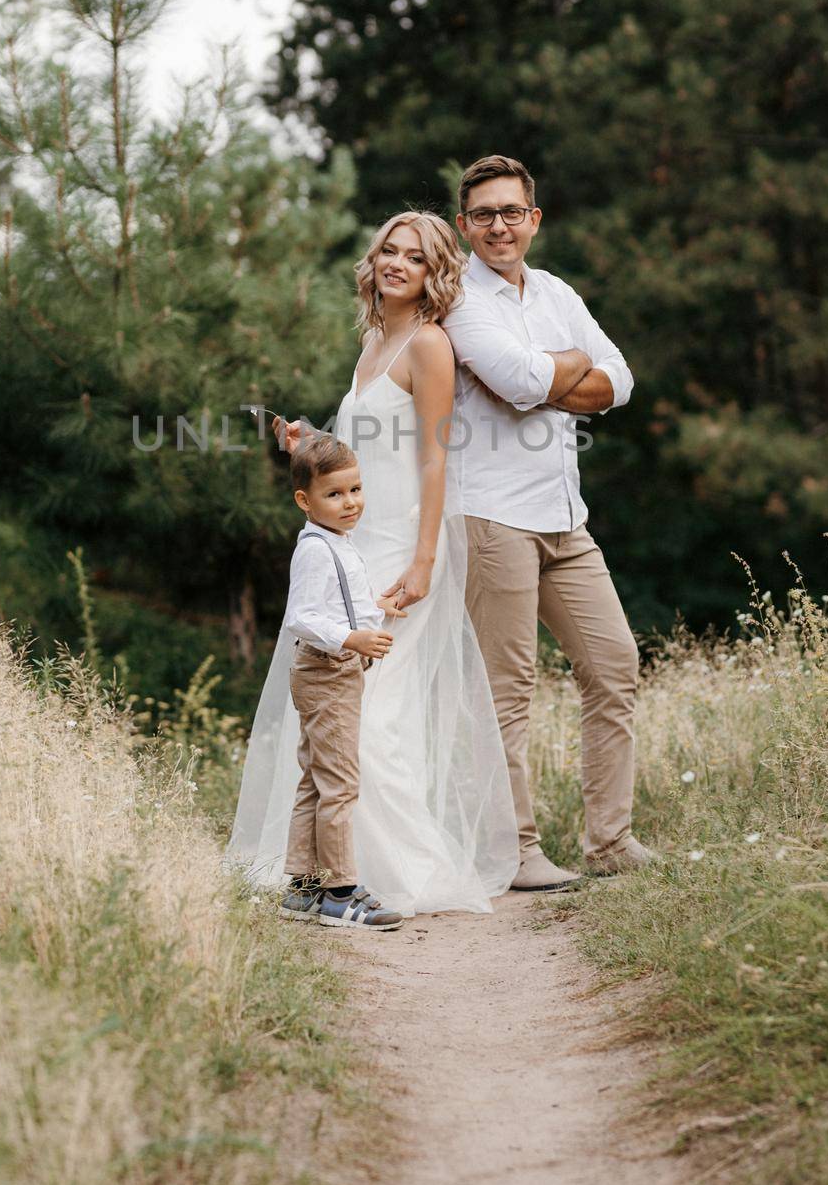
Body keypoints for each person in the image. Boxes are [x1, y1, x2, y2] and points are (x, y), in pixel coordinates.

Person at [228, 212, 518, 916]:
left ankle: (385, 873)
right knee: (334, 708)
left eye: (413, 258)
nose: (395, 263)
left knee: (372, 710)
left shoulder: (429, 345)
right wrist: (312, 440)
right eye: (388, 250)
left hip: (401, 549)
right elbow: (373, 446)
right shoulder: (374, 339)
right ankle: (322, 870)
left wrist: (423, 561)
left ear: (432, 275)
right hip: (351, 547)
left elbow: (433, 455)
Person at [442, 153, 655, 881]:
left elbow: (618, 380)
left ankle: (610, 843)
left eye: (511, 212)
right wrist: (558, 372)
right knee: (508, 690)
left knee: (614, 664)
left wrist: (545, 377)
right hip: (492, 515)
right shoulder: (457, 300)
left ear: (534, 218)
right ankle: (515, 851)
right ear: (463, 226)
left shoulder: (558, 292)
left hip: (566, 516)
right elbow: (515, 379)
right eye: (482, 215)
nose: (498, 226)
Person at [278, 434, 405, 931]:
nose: (350, 502)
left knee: (317, 778)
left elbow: (339, 604)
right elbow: (303, 617)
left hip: (333, 672)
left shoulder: (335, 542)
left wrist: (377, 611)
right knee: (339, 784)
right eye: (335, 495)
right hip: (326, 672)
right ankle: (338, 892)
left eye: (354, 489)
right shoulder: (314, 550)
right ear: (305, 502)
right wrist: (353, 638)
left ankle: (304, 886)